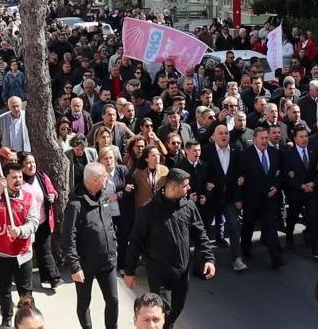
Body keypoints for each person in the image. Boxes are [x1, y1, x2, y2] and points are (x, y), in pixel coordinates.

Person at [124, 168, 216, 329]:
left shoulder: (188, 207)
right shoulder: (148, 210)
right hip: (158, 272)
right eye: (186, 186)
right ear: (173, 187)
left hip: (181, 270)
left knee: (177, 308)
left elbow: (200, 234)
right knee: (162, 312)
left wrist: (209, 258)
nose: (189, 189)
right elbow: (136, 241)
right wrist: (129, 271)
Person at [0, 162, 40, 328]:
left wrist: (20, 230)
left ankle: (28, 320)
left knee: (26, 292)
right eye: (14, 177)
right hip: (0, 253)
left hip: (23, 254)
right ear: (4, 179)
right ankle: (7, 319)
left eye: (20, 177)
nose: (18, 180)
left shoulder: (28, 197)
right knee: (4, 290)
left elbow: (34, 222)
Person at [62, 162, 120, 329]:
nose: (107, 177)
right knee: (84, 302)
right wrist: (74, 267)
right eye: (104, 176)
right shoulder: (75, 205)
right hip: (85, 266)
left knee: (113, 300)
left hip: (107, 262)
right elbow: (68, 238)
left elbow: (109, 224)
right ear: (94, 180)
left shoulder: (103, 195)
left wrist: (114, 246)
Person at [200, 124, 247, 271]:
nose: (224, 136)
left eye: (226, 133)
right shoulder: (206, 151)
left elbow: (239, 174)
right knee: (205, 230)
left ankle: (237, 259)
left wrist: (239, 198)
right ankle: (204, 261)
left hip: (229, 198)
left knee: (233, 227)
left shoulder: (235, 149)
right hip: (211, 197)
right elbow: (201, 172)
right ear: (214, 136)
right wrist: (205, 185)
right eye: (220, 133)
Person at [237, 126, 285, 269]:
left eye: (266, 138)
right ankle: (245, 248)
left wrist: (276, 187)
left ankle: (275, 257)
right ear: (255, 139)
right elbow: (239, 178)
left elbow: (280, 173)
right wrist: (238, 199)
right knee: (248, 225)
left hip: (269, 199)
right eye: (262, 138)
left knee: (270, 226)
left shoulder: (275, 153)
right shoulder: (245, 155)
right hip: (251, 199)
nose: (264, 141)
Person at [19, 153, 62, 289]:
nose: (32, 165)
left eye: (33, 162)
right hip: (25, 225)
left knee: (45, 250)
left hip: (43, 221)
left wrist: (52, 195)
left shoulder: (41, 177)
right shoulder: (19, 181)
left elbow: (53, 192)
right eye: (28, 163)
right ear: (21, 166)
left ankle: (53, 278)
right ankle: (19, 278)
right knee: (25, 252)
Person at [283, 124, 318, 260]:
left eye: (306, 136)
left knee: (313, 220)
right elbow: (286, 175)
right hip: (296, 193)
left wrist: (313, 183)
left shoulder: (314, 150)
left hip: (311, 191)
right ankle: (289, 240)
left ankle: (316, 248)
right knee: (292, 219)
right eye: (301, 137)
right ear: (295, 139)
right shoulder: (288, 154)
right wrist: (300, 186)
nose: (305, 139)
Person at [99, 145, 134, 273]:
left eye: (110, 158)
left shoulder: (123, 170)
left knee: (123, 238)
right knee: (107, 238)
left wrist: (119, 195)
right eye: (105, 158)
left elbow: (131, 188)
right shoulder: (99, 173)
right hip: (106, 211)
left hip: (123, 210)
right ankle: (107, 263)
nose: (108, 161)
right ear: (100, 160)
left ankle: (122, 265)